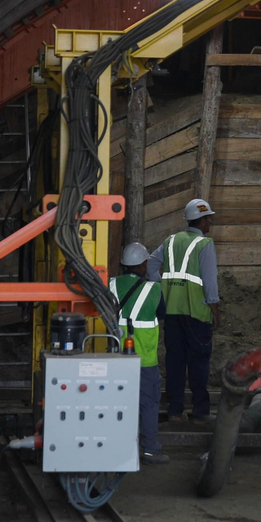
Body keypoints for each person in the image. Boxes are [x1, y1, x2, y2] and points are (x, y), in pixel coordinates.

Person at [147, 198, 221, 423]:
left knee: (175, 362)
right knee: (198, 362)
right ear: (202, 221)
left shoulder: (170, 241)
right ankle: (200, 413)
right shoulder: (204, 244)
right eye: (209, 218)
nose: (210, 222)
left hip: (171, 312)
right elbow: (210, 283)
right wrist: (215, 310)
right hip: (197, 313)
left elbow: (150, 265)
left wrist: (162, 286)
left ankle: (175, 411)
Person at [112, 241, 169, 464]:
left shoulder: (111, 285)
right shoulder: (153, 289)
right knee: (148, 403)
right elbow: (161, 313)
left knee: (117, 401)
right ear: (144, 265)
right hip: (144, 358)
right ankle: (149, 449)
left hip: (116, 357)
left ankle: (118, 446)